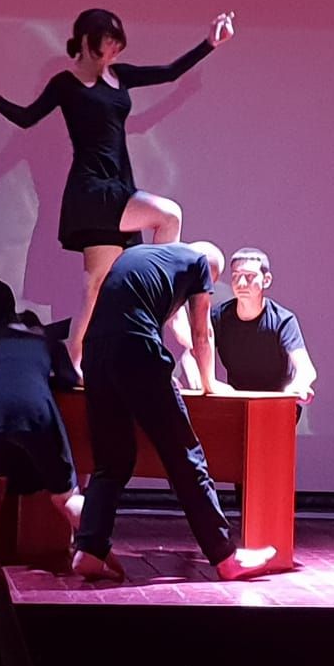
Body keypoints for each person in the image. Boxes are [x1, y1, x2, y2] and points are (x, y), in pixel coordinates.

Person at [0, 8, 235, 369]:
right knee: (169, 214)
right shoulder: (65, 84)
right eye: (108, 43)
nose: (114, 51)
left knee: (93, 287)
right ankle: (171, 307)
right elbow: (28, 117)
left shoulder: (120, 76)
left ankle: (73, 361)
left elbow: (169, 72)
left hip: (118, 185)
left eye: (117, 44)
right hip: (93, 190)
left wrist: (209, 44)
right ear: (86, 41)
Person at [73, 241, 277, 582]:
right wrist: (210, 384)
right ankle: (226, 557)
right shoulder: (199, 264)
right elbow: (201, 332)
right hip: (136, 349)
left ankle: (90, 550)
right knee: (185, 456)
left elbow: (139, 312)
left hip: (95, 352)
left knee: (112, 459)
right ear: (210, 270)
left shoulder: (142, 256)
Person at [0, 311, 82, 558]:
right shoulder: (49, 342)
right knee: (65, 492)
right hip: (33, 407)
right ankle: (95, 547)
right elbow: (70, 379)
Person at [211, 248, 316, 407]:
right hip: (238, 404)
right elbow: (194, 352)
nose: (241, 283)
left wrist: (298, 386)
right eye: (236, 276)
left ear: (266, 280)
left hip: (279, 405)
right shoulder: (218, 317)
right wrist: (205, 383)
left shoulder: (283, 320)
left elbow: (306, 369)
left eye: (249, 276)